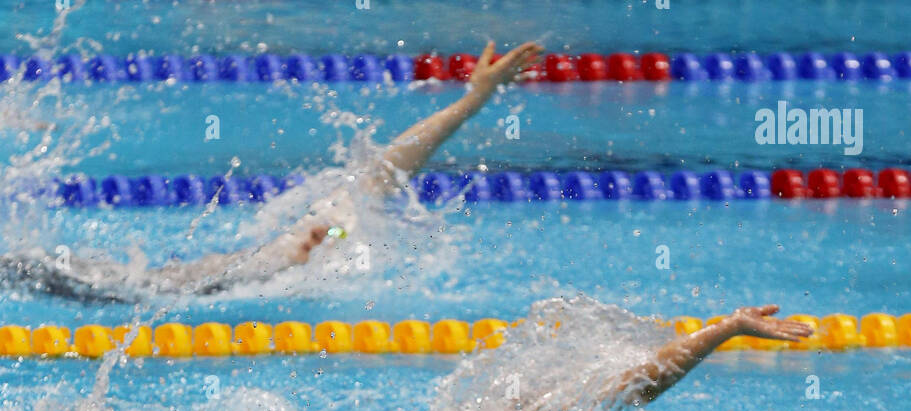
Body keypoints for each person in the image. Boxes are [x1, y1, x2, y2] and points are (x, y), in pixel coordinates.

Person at [0, 40, 544, 302]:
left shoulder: (354, 244)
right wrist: (472, 102)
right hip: (193, 285)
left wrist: (476, 100)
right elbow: (392, 164)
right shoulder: (339, 232)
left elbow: (394, 167)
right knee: (76, 280)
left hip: (200, 286)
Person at [70, 305, 815, 411]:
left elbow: (637, 381)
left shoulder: (538, 408)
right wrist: (724, 332)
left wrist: (722, 330)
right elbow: (640, 386)